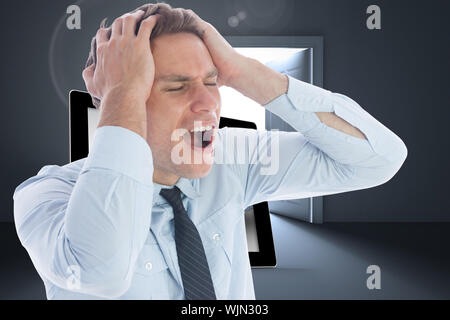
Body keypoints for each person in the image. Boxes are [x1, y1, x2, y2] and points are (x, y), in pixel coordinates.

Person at [13, 2, 407, 300]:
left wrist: (242, 71)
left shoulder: (232, 162)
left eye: (212, 82)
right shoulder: (45, 197)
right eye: (176, 86)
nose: (209, 105)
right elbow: (102, 272)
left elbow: (378, 159)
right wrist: (121, 92)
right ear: (117, 99)